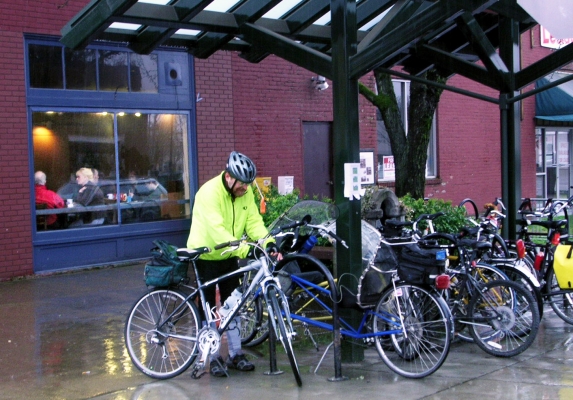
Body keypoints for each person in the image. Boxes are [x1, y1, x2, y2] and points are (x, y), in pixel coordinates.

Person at [187, 151, 279, 377]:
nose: (246, 189)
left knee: (233, 305)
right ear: (228, 176)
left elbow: (254, 222)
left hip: (229, 256)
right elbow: (219, 234)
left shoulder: (244, 194)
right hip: (206, 254)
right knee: (209, 309)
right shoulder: (209, 193)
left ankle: (236, 353)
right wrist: (247, 249)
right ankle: (214, 356)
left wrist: (268, 243)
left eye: (248, 185)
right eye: (242, 184)